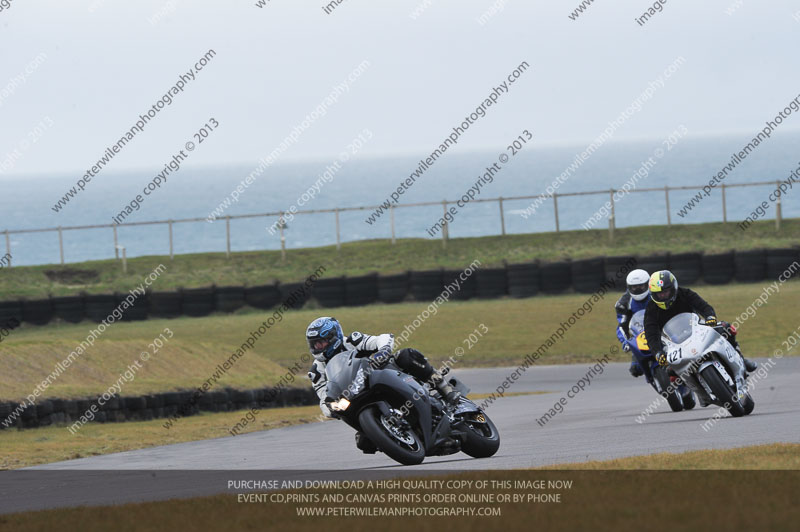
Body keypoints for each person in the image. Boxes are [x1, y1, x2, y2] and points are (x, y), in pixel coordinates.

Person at [305, 316, 459, 453]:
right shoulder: (316, 371)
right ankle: (394, 436)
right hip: (354, 397)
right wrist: (329, 408)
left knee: (405, 355)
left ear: (335, 336)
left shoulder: (352, 341)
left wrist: (383, 351)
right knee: (364, 443)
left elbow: (383, 338)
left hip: (380, 376)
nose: (319, 347)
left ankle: (445, 388)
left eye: (322, 342)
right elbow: (324, 396)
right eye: (315, 344)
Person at [644, 270, 758, 373]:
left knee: (726, 327)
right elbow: (651, 334)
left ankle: (741, 359)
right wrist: (658, 352)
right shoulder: (651, 310)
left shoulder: (684, 293)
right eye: (659, 294)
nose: (663, 296)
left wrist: (710, 317)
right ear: (653, 294)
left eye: (666, 292)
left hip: (696, 329)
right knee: (669, 371)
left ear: (673, 288)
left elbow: (704, 306)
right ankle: (687, 394)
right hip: (672, 342)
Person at [614, 269, 651, 377]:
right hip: (640, 336)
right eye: (634, 287)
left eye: (641, 286)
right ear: (629, 287)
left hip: (661, 329)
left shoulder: (656, 294)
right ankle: (653, 379)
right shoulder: (623, 303)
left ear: (648, 284)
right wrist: (626, 342)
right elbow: (621, 325)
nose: (638, 289)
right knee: (635, 370)